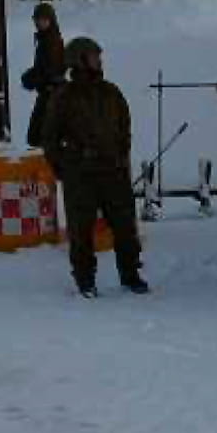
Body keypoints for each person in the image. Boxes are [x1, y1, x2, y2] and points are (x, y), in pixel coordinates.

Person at [41, 36, 149, 298]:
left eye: (98, 56)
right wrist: (64, 168)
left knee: (125, 226)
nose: (99, 60)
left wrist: (122, 156)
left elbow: (125, 126)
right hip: (81, 175)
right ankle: (85, 280)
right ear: (79, 61)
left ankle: (130, 274)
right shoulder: (64, 97)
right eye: (93, 56)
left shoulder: (111, 92)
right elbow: (50, 137)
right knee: (81, 230)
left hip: (113, 172)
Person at [20, 2, 66, 148]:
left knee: (39, 135)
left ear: (50, 20)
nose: (38, 23)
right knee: (39, 135)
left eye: (42, 19)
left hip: (52, 93)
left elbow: (52, 69)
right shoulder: (45, 38)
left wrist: (33, 79)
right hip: (48, 92)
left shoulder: (52, 40)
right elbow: (43, 67)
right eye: (37, 20)